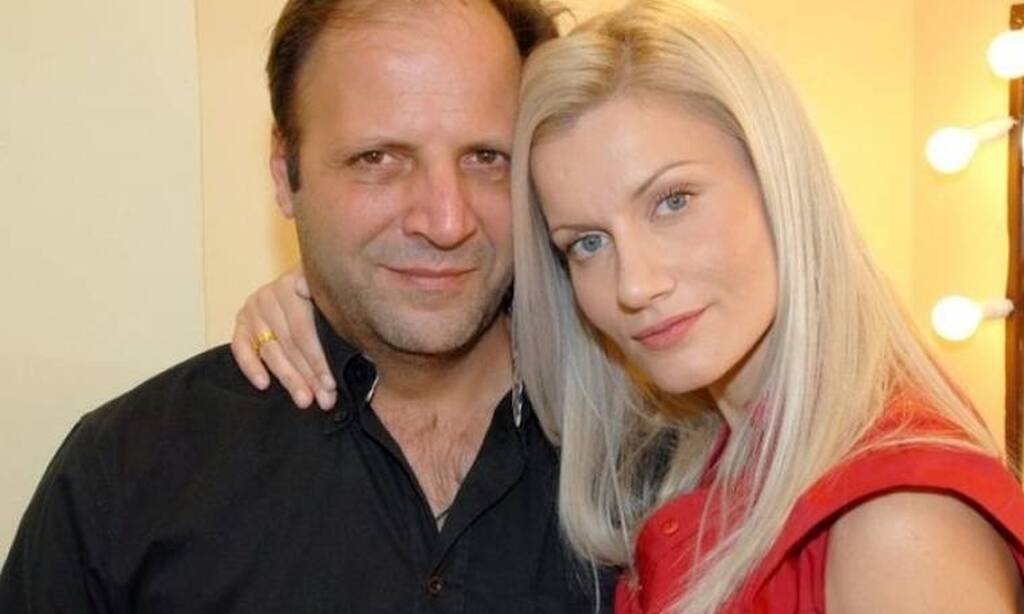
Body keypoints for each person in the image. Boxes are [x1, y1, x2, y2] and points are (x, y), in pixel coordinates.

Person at [232, 0, 1024, 612]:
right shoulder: (696, 449)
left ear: (779, 177)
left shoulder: (900, 521)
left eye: (673, 201)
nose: (634, 284)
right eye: (585, 242)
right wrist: (326, 300)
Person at [0, 1, 613, 611]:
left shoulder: (639, 461)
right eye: (378, 159)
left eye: (486, 157)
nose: (447, 221)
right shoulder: (127, 474)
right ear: (283, 171)